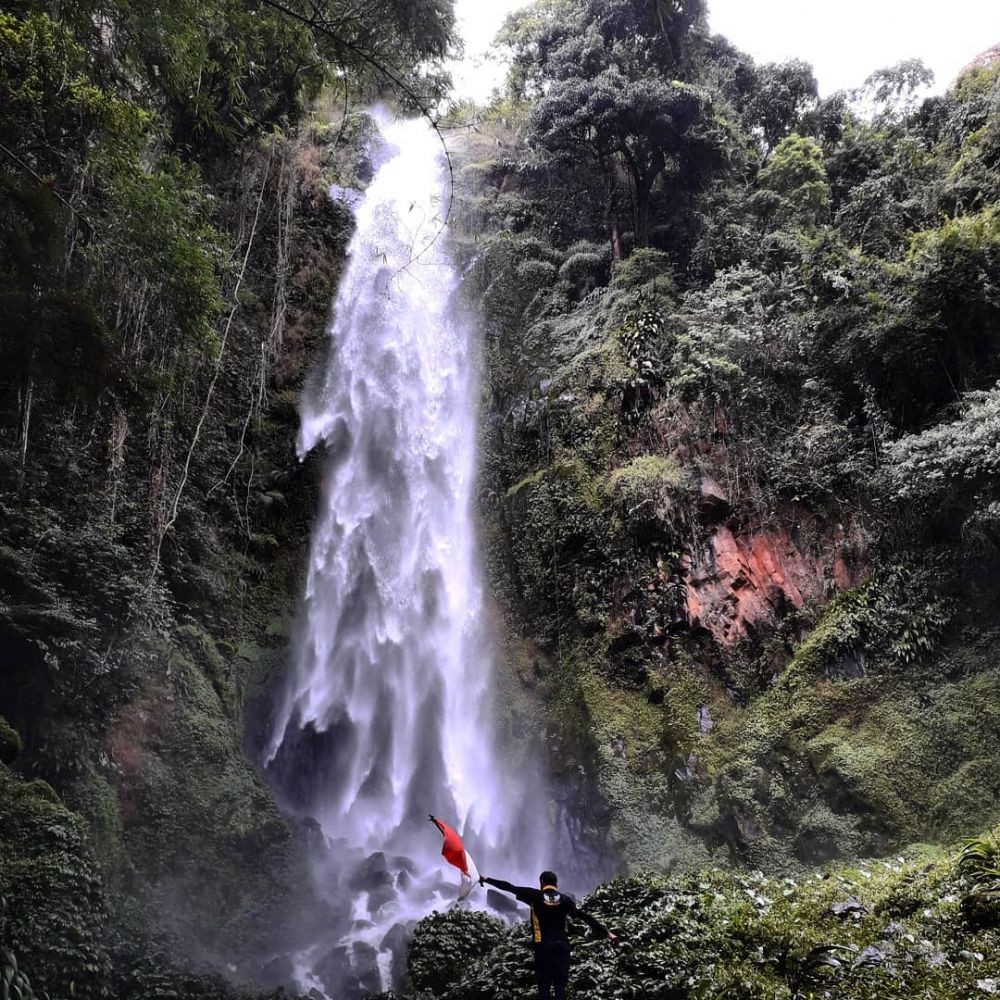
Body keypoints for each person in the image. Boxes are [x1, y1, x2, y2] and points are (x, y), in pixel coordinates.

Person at [479, 870, 617, 1000]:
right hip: (562, 947)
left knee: (544, 987)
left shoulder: (535, 896)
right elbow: (584, 916)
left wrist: (486, 879)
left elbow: (509, 887)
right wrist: (607, 933)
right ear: (556, 884)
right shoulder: (564, 900)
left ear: (542, 882)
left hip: (543, 947)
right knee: (560, 986)